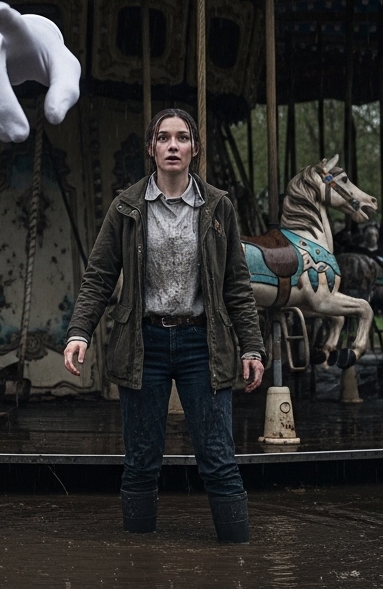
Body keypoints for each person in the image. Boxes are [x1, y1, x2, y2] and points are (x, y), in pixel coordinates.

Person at [63, 108, 265, 543]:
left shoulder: (218, 206)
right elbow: (99, 275)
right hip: (144, 342)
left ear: (194, 149)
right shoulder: (126, 207)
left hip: (201, 343)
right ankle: (137, 561)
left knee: (217, 456)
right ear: (152, 149)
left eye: (182, 138)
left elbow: (237, 284)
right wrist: (79, 332)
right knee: (141, 458)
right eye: (164, 138)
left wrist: (251, 346)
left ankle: (239, 558)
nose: (173, 146)